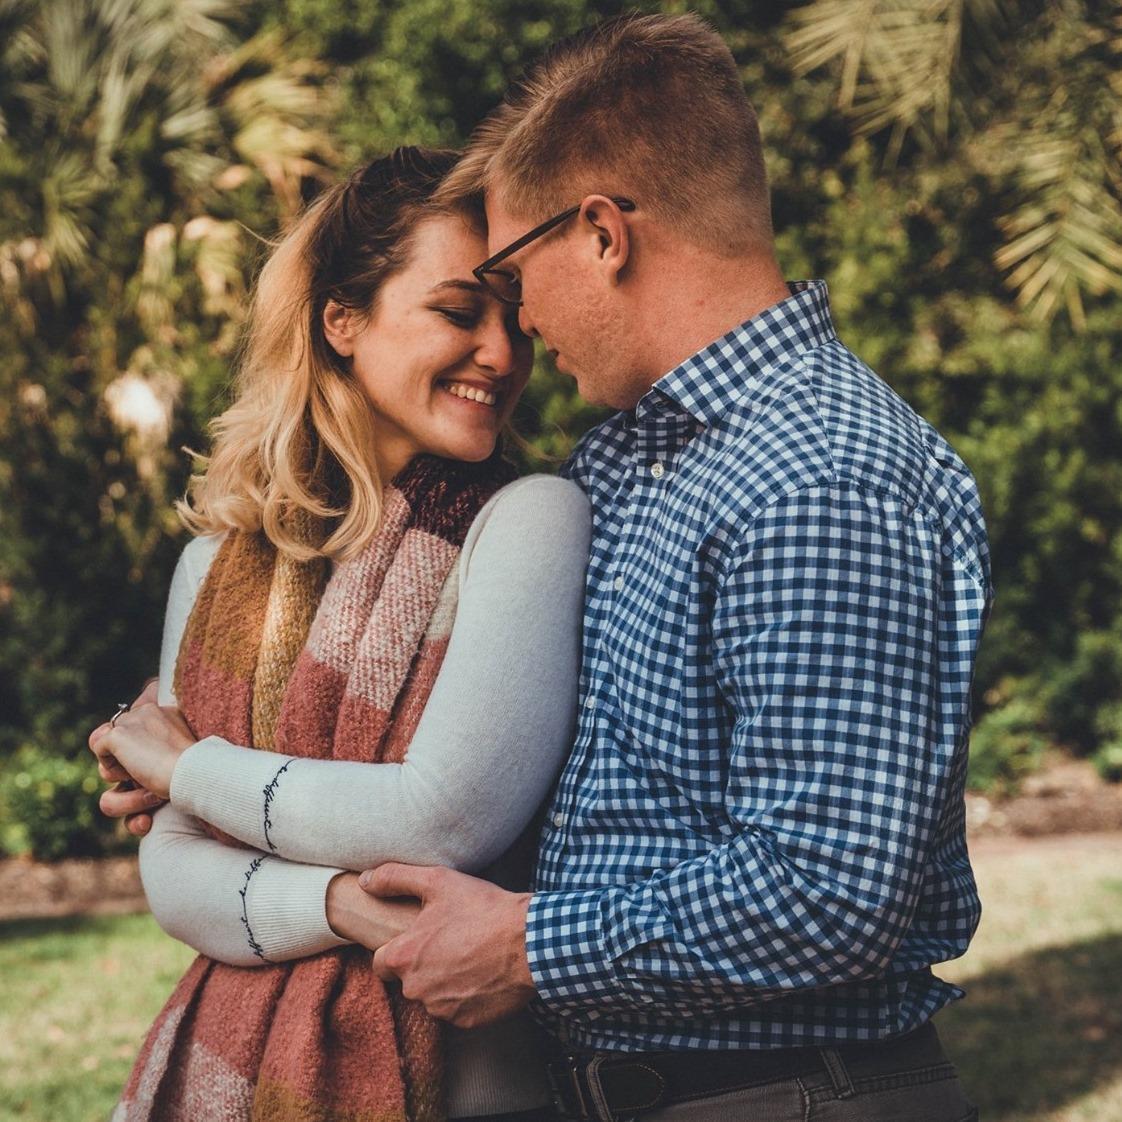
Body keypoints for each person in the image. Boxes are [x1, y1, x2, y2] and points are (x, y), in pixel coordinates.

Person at [339, 15, 991, 1122]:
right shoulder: (629, 460)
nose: (518, 324)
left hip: (782, 1098)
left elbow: (828, 889)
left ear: (602, 234)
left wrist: (528, 947)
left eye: (512, 271)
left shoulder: (819, 475)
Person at [88, 146, 589, 1122]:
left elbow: (444, 819)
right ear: (342, 320)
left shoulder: (529, 518)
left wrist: (187, 771)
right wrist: (342, 907)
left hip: (468, 1090)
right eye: (459, 310)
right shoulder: (217, 568)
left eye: (514, 317)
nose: (502, 351)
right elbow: (172, 872)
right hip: (224, 1070)